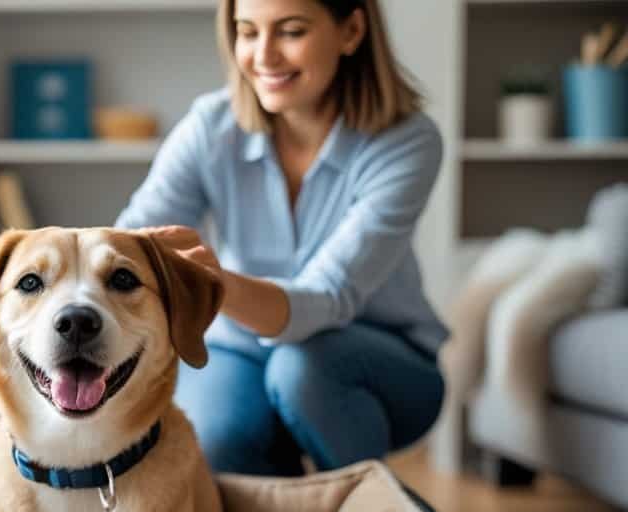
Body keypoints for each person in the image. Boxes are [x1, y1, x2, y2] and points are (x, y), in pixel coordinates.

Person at [116, 0, 447, 476]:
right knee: (217, 437)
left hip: (378, 360)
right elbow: (130, 236)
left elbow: (326, 297)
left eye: (290, 32)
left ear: (351, 30)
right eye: (247, 32)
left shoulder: (407, 141)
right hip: (239, 351)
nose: (263, 55)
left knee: (301, 369)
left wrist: (213, 283)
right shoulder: (210, 125)